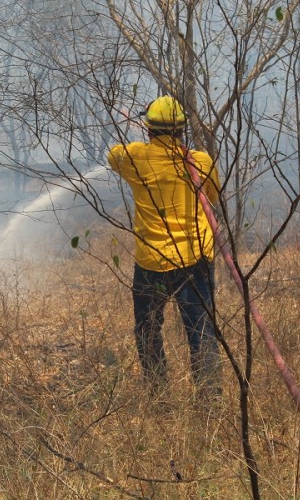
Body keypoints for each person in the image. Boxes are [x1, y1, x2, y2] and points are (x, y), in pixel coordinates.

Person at [108, 95, 222, 399]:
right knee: (202, 332)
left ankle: (158, 397)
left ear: (148, 130)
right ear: (183, 130)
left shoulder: (135, 157)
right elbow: (213, 196)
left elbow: (112, 155)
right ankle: (210, 402)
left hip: (153, 263)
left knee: (147, 329)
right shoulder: (201, 161)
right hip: (196, 259)